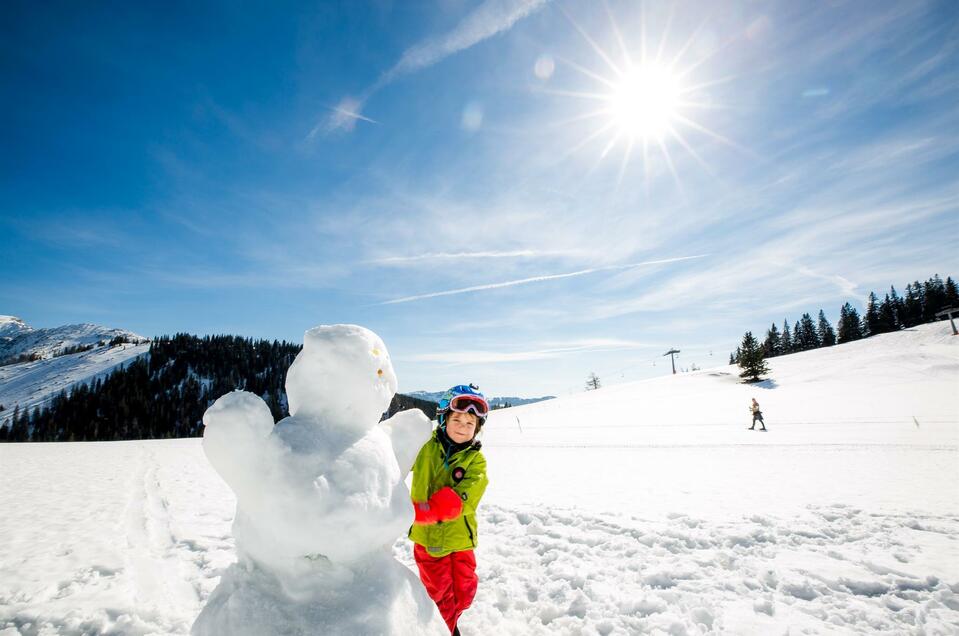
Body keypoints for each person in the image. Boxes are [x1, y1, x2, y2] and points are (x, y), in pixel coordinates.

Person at [409, 384, 490, 635]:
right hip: (429, 540)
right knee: (438, 594)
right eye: (457, 419)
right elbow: (392, 458)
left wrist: (431, 509)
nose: (462, 427)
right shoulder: (424, 448)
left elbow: (464, 497)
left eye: (469, 423)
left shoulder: (475, 460)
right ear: (444, 419)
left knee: (465, 592)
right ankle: (444, 629)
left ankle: (450, 621)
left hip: (461, 539)